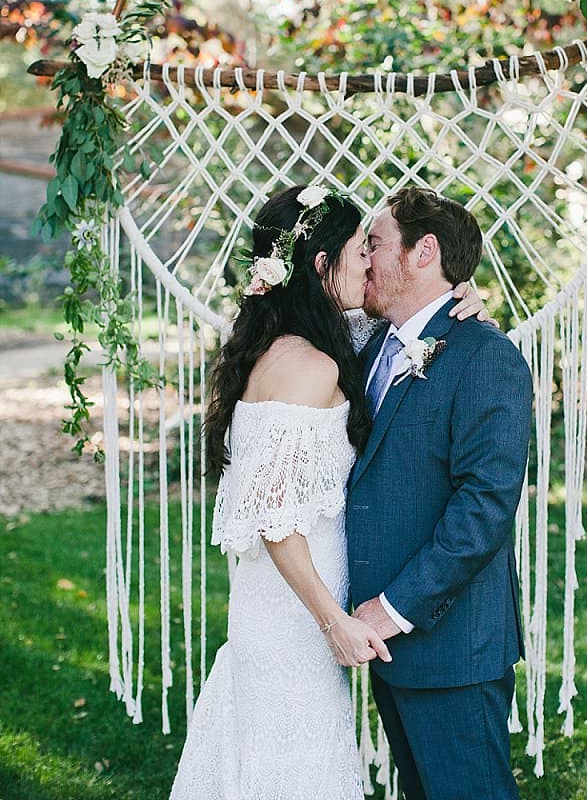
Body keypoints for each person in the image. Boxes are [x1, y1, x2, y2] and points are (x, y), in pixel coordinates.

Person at [169, 183, 490, 800]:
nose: (370, 261)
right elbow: (274, 519)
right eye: (359, 251)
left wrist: (458, 299)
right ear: (323, 265)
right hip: (299, 615)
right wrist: (333, 621)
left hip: (278, 607)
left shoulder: (298, 345)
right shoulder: (309, 367)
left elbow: (401, 328)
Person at [347, 186, 533, 800]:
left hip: (450, 643)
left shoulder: (485, 357)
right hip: (388, 645)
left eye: (374, 243)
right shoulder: (370, 346)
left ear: (424, 251)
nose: (365, 258)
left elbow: (483, 510)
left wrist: (392, 608)